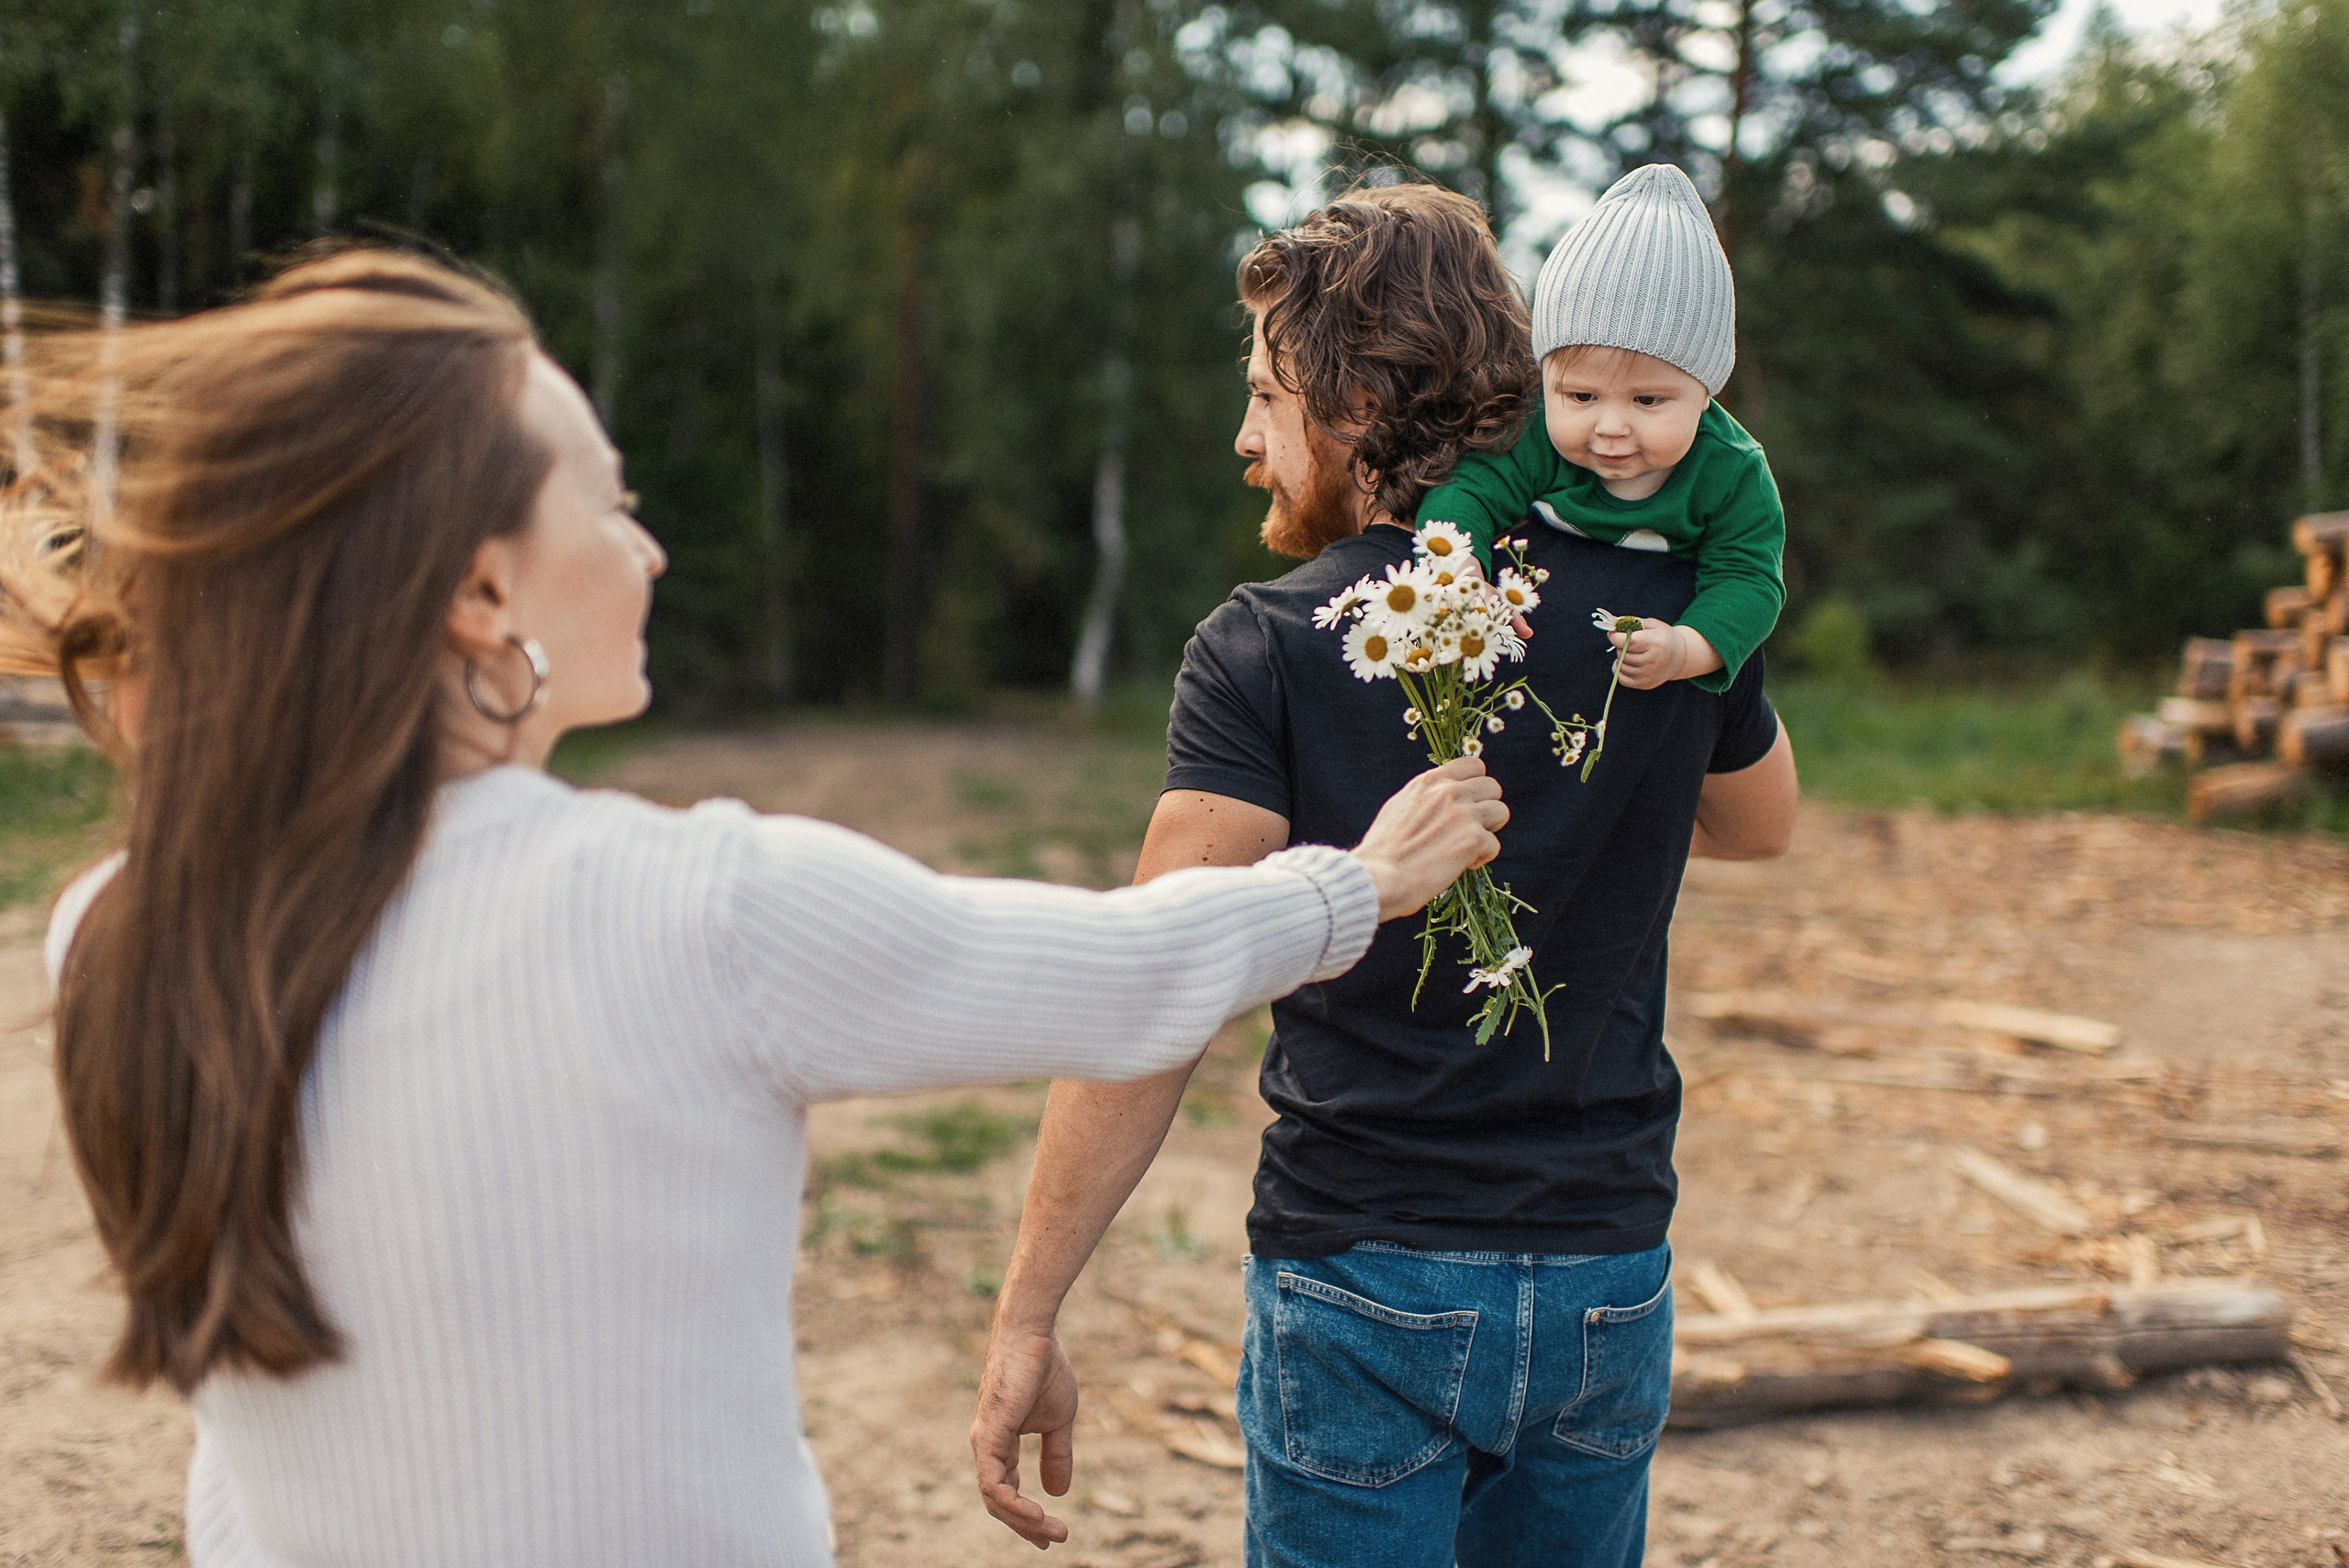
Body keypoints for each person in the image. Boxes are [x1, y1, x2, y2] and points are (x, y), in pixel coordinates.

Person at [3, 247, 1512, 1567]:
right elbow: (1122, 969)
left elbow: (245, 1461)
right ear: (480, 591)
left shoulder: (115, 927)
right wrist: (1359, 882)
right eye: (615, 500)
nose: (649, 547)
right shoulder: (697, 907)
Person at [969, 183, 1798, 1568]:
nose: (1245, 438)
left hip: (1367, 1286)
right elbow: (1763, 823)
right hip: (1608, 1274)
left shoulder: (1271, 642)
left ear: (1352, 399)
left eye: (1264, 396)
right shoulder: (1661, 600)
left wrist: (1025, 1317)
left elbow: (1153, 987)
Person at [1415, 163, 1786, 697]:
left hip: (1645, 699)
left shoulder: (1731, 470)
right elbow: (1469, 489)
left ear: (1707, 392)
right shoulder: (1537, 433)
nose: (1610, 428)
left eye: (1648, 400)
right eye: (1581, 396)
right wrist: (1460, 566)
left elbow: (1749, 579)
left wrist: (1685, 648)